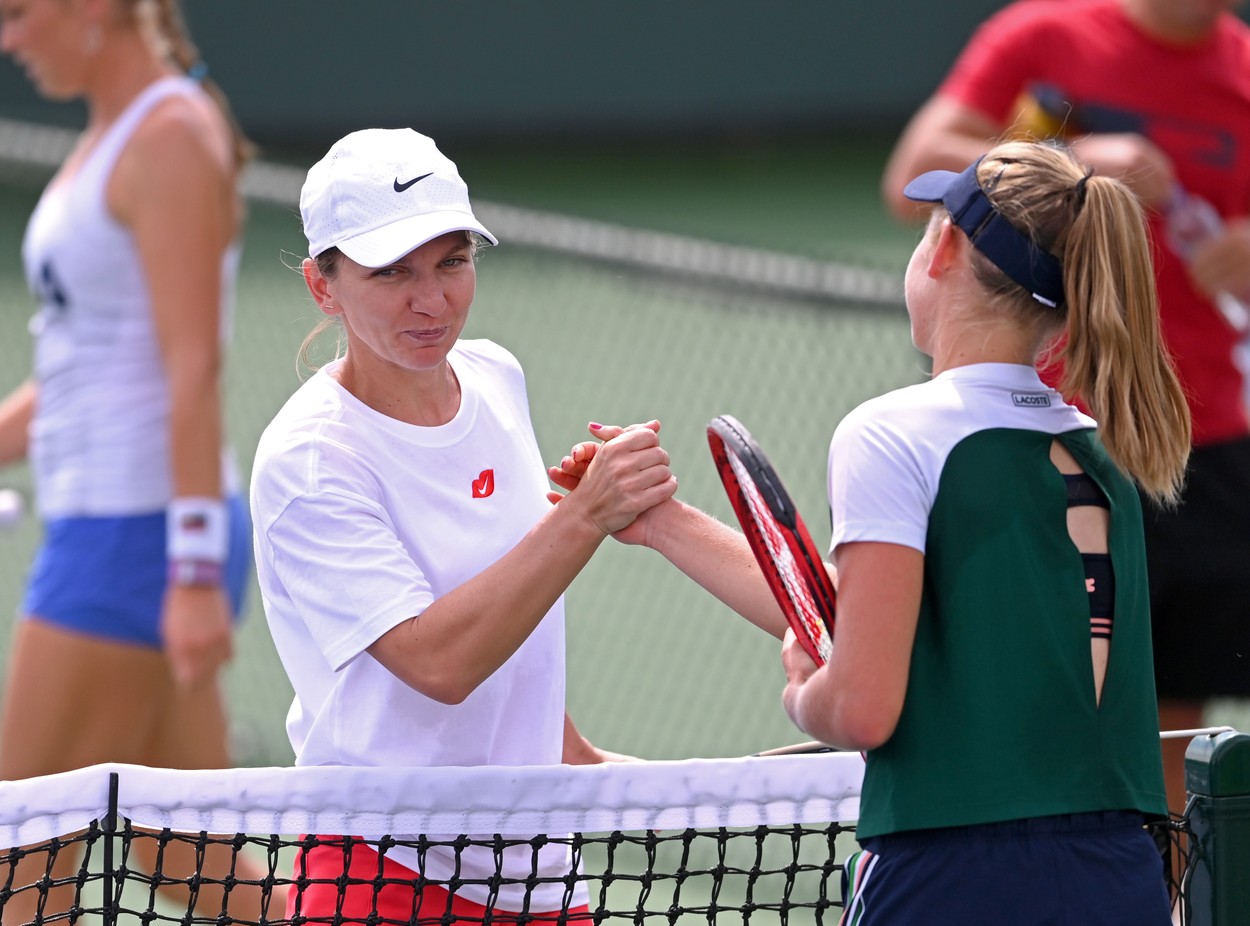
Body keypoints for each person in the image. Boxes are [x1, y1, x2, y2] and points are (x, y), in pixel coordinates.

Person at [552, 138, 1185, 924]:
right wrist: (662, 523)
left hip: (952, 878)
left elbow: (860, 707)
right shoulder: (1105, 450)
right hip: (1121, 876)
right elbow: (863, 613)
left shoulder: (890, 434)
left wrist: (804, 692)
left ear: (944, 246)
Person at [249, 127, 693, 922]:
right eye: (392, 273)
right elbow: (440, 662)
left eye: (452, 261)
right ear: (325, 287)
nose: (432, 300)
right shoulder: (311, 460)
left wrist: (582, 762)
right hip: (385, 880)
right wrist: (586, 518)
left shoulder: (495, 374)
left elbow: (510, 633)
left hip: (543, 876)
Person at [880, 0, 1250, 815]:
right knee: (1012, 692)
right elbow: (916, 171)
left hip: (1193, 446)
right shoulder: (1042, 36)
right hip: (1041, 431)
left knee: (1165, 717)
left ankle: (1169, 891)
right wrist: (1080, 158)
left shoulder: (1242, 71)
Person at [0, 0, 274, 921]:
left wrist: (192, 573)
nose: (8, 41)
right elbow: (90, 359)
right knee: (184, 855)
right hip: (121, 529)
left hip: (139, 536)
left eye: (17, 14)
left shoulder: (168, 138)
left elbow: (189, 369)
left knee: (20, 867)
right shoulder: (117, 135)